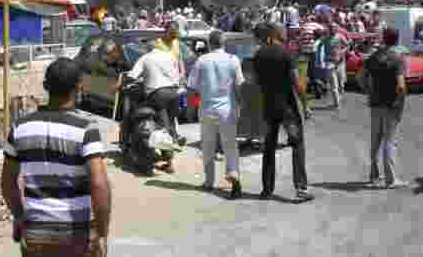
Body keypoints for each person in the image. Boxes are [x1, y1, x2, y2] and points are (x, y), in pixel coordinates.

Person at [1, 58, 111, 257]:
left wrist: (19, 216)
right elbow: (99, 184)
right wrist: (102, 234)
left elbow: (8, 183)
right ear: (79, 86)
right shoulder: (86, 128)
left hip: (36, 235)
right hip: (76, 235)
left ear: (45, 86)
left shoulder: (20, 127)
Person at [253, 23, 313, 202]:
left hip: (269, 108)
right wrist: (306, 104)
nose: (286, 34)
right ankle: (301, 189)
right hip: (288, 109)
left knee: (269, 147)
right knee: (297, 145)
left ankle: (267, 189)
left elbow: (257, 82)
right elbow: (298, 84)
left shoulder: (258, 55)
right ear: (276, 34)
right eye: (283, 32)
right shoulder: (287, 54)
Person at [187, 30, 244, 198]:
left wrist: (191, 108)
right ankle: (233, 175)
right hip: (227, 109)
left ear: (209, 43)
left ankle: (209, 181)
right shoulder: (233, 60)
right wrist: (241, 104)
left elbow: (192, 88)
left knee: (208, 146)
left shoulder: (201, 61)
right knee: (230, 146)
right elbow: (239, 86)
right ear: (223, 43)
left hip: (207, 109)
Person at [126, 31, 184, 172]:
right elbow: (177, 75)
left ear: (148, 49)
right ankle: (173, 144)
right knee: (169, 124)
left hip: (158, 94)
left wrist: (127, 81)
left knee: (162, 126)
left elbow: (132, 75)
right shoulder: (169, 56)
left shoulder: (146, 58)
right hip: (175, 93)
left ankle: (166, 153)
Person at [359, 27, 409, 189]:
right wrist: (399, 102)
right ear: (397, 40)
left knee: (375, 139)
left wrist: (368, 90)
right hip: (391, 105)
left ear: (384, 39)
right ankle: (391, 179)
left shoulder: (373, 57)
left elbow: (361, 77)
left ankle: (374, 175)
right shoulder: (398, 59)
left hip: (375, 103)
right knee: (389, 141)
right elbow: (401, 86)